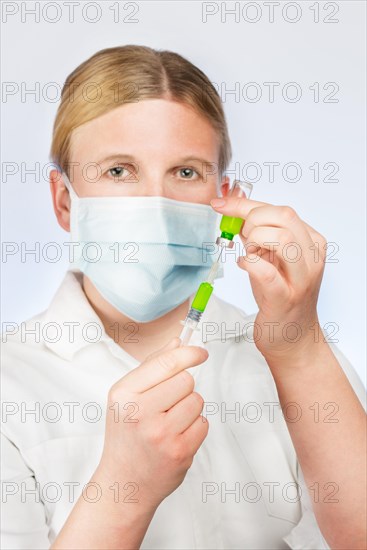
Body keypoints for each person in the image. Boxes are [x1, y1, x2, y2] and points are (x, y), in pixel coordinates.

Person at [1, 45, 366, 550]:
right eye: (118, 171)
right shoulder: (10, 383)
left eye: (187, 172)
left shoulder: (291, 358)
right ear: (65, 201)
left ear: (227, 199)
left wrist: (300, 350)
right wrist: (124, 492)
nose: (156, 203)